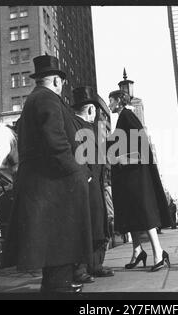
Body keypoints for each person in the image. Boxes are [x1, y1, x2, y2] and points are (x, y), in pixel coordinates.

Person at [1, 55, 93, 293]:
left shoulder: (36, 99)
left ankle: (55, 282)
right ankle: (58, 284)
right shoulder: (47, 99)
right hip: (53, 181)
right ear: (54, 80)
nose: (62, 85)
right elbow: (55, 140)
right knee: (61, 232)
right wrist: (75, 170)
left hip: (43, 181)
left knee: (54, 234)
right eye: (61, 81)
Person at [108, 90, 171, 272]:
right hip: (128, 176)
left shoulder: (128, 115)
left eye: (111, 100)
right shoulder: (122, 118)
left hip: (136, 175)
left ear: (119, 101)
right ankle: (138, 251)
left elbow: (142, 144)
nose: (110, 104)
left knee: (143, 212)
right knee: (131, 213)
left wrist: (124, 159)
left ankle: (158, 253)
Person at [71, 86, 114, 283]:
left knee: (98, 224)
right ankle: (80, 269)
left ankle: (95, 265)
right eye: (96, 110)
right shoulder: (78, 127)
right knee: (86, 225)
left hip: (95, 184)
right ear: (90, 109)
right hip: (85, 184)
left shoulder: (85, 127)